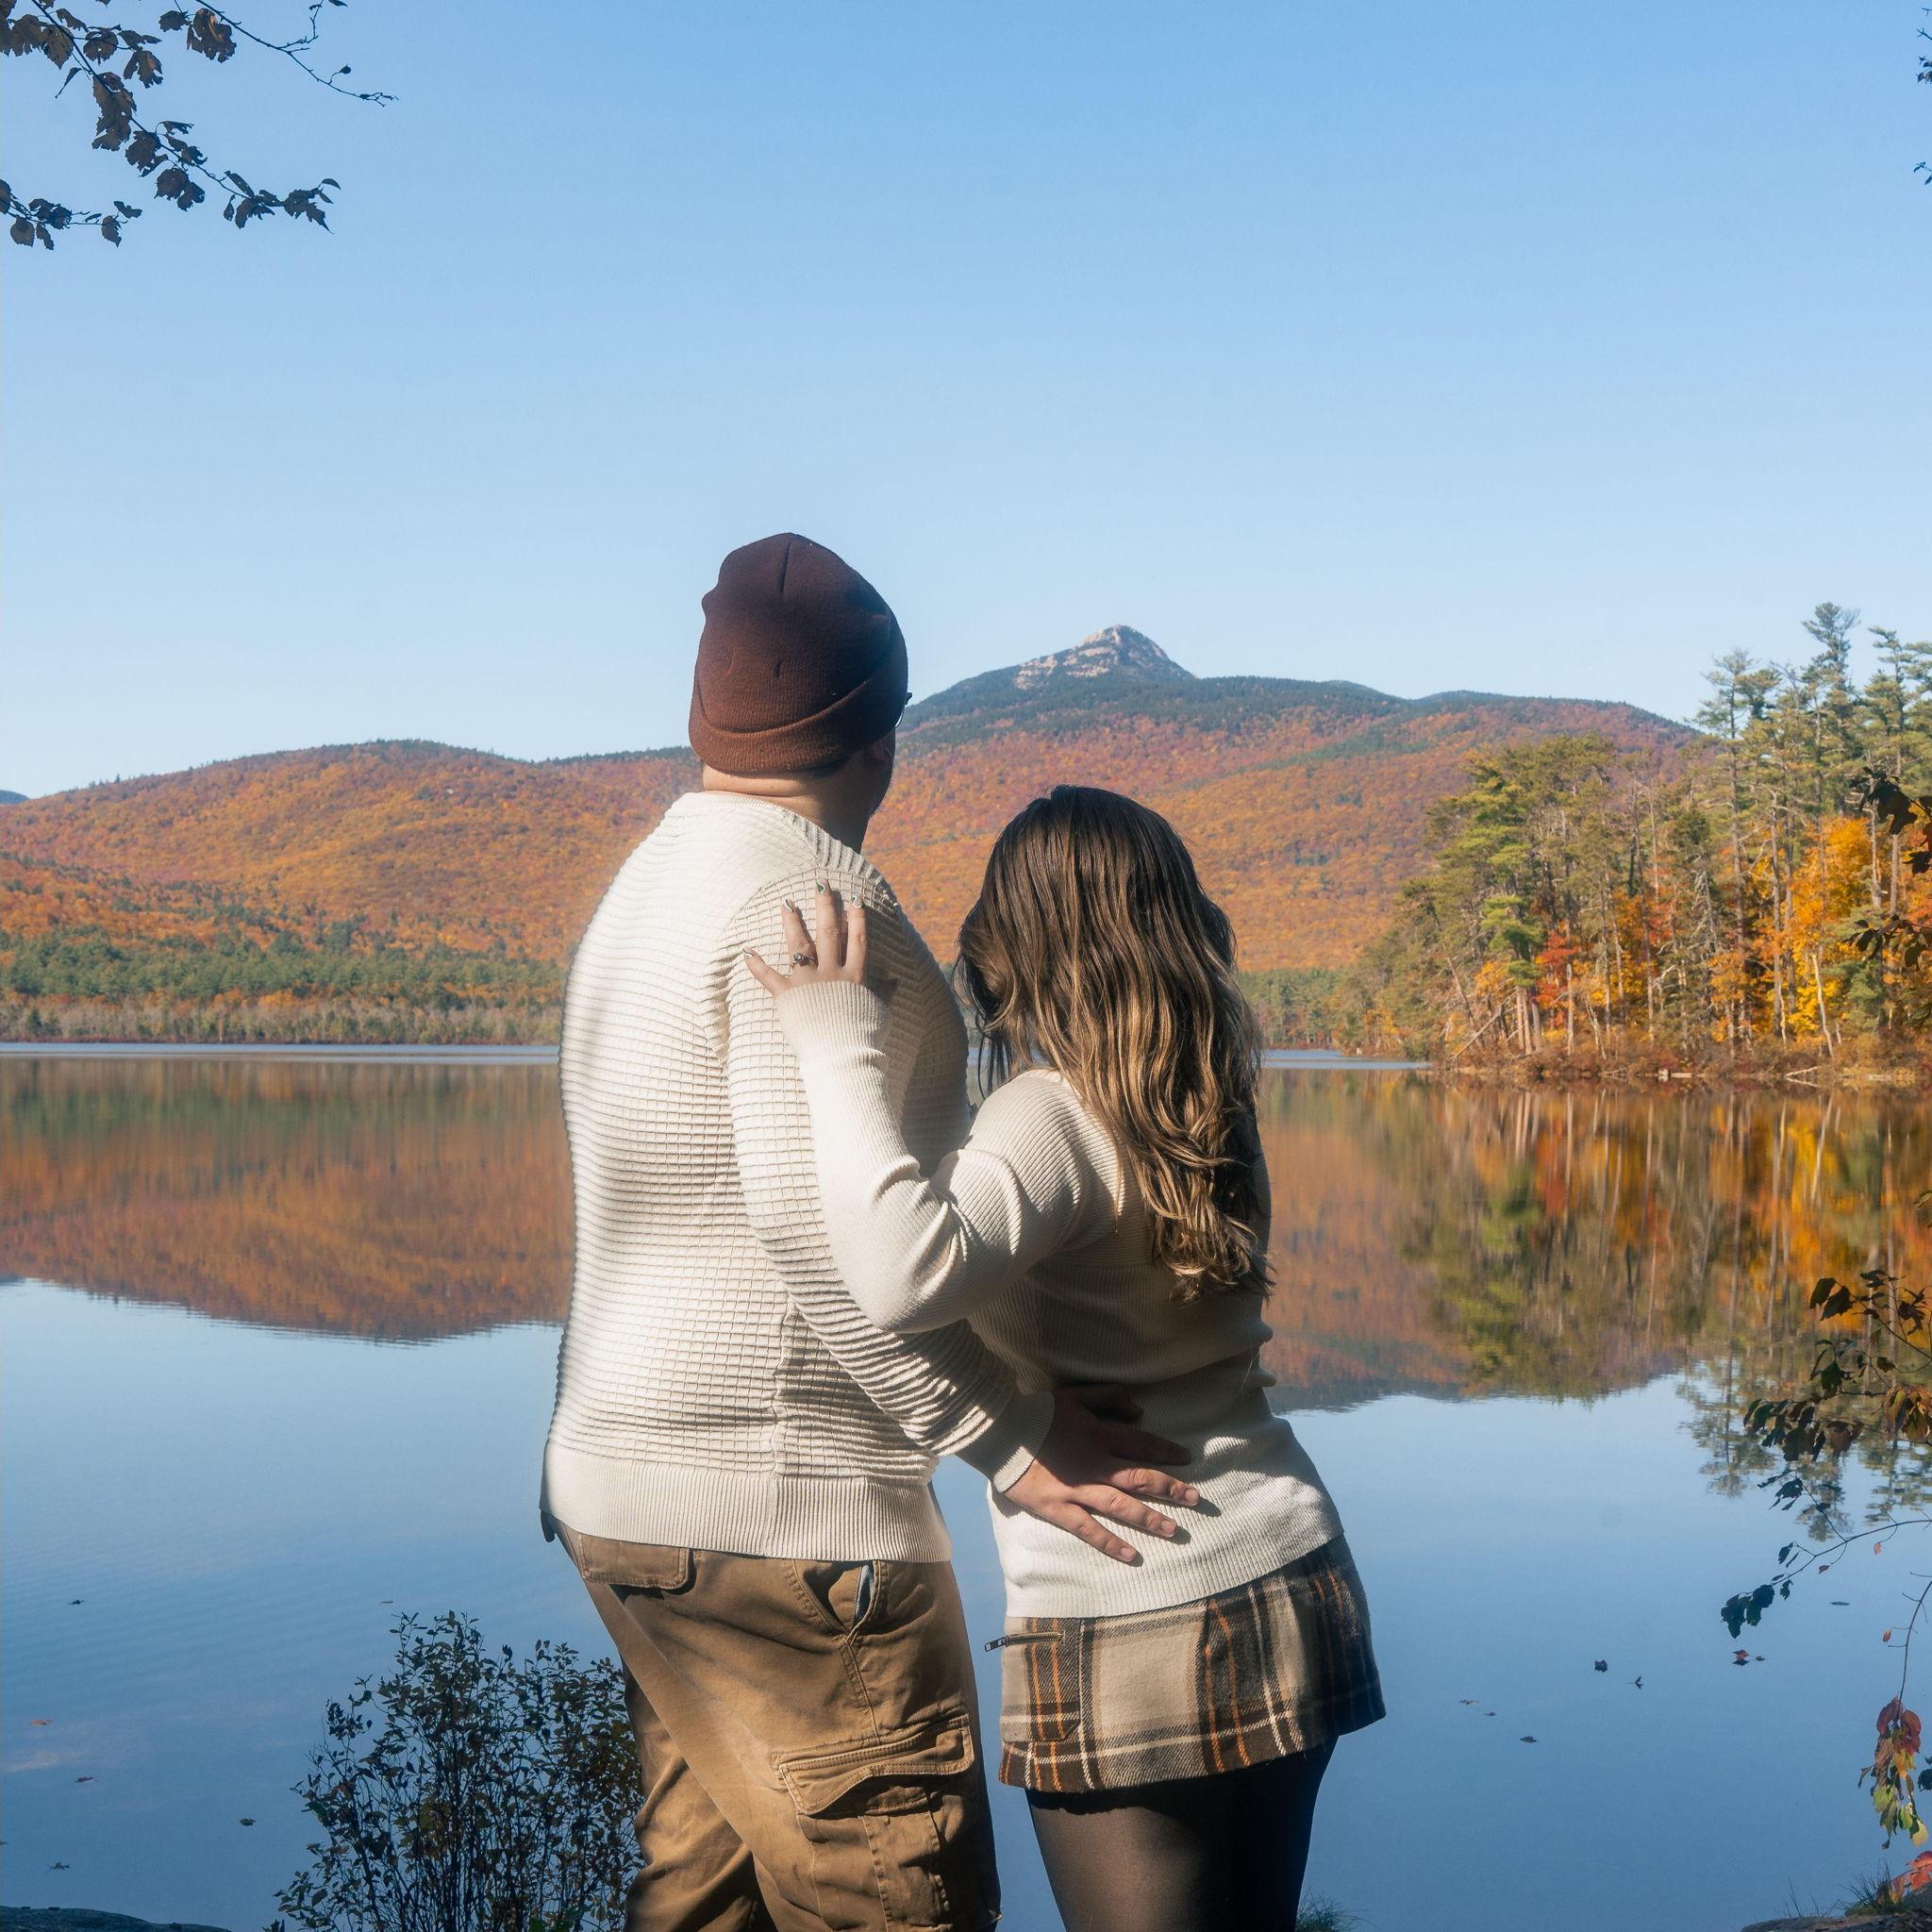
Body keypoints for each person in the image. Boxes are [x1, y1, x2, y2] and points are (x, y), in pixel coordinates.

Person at [541, 536, 1201, 1932]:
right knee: (893, 1907)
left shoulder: (637, 897)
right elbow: (827, 1239)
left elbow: (628, 1202)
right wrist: (1013, 1441)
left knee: (703, 1902)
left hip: (624, 1495)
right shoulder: (819, 909)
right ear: (879, 735)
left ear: (700, 716)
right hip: (787, 1519)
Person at [747, 784, 1386, 1932]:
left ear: (1022, 939)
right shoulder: (1207, 1104)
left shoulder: (1050, 1113)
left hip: (1126, 1600)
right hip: (1289, 1562)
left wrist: (833, 1041)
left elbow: (900, 1270)